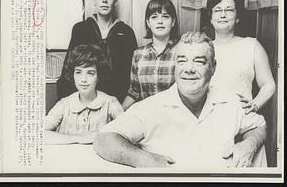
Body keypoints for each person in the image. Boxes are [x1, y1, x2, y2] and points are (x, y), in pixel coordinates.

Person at [93, 32, 267, 168]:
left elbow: (258, 125)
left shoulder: (231, 101)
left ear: (213, 67)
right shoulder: (151, 107)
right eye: (182, 61)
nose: (188, 69)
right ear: (175, 65)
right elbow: (104, 139)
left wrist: (249, 144)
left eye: (199, 61)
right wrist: (144, 159)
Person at [57, 0, 137, 103]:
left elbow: (133, 75)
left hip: (117, 101)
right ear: (94, 0)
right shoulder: (80, 29)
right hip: (84, 100)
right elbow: (69, 68)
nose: (104, 0)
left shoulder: (126, 32)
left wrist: (121, 108)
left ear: (115, 2)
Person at [204, 0, 275, 114]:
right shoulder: (203, 48)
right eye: (218, 10)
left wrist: (255, 104)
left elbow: (268, 84)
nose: (223, 15)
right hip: (208, 117)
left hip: (242, 118)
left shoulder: (252, 45)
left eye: (229, 10)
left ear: (237, 18)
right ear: (211, 18)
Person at [45, 45, 124, 145]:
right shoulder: (65, 104)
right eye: (78, 72)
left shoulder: (110, 102)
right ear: (72, 74)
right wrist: (78, 138)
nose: (83, 79)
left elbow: (128, 134)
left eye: (90, 73)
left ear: (98, 76)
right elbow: (37, 133)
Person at [122, 0, 179, 110]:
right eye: (154, 17)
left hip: (173, 117)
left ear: (173, 22)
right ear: (148, 22)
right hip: (146, 117)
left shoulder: (181, 51)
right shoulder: (138, 54)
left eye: (165, 16)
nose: (160, 21)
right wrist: (118, 113)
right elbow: (134, 92)